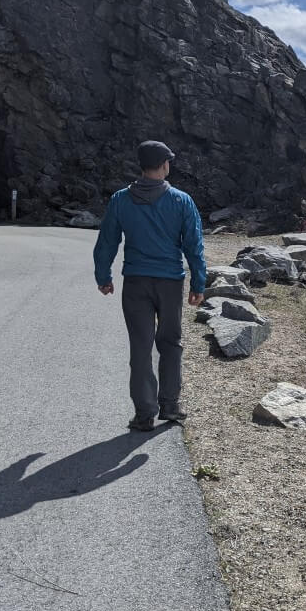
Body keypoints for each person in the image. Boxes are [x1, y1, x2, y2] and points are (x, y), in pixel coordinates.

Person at [93, 140, 206, 432]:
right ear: (165, 165)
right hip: (169, 282)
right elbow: (194, 245)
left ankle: (144, 414)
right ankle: (170, 406)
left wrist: (103, 276)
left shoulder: (120, 199)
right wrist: (198, 282)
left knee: (140, 347)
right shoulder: (181, 200)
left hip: (135, 283)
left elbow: (107, 241)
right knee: (170, 343)